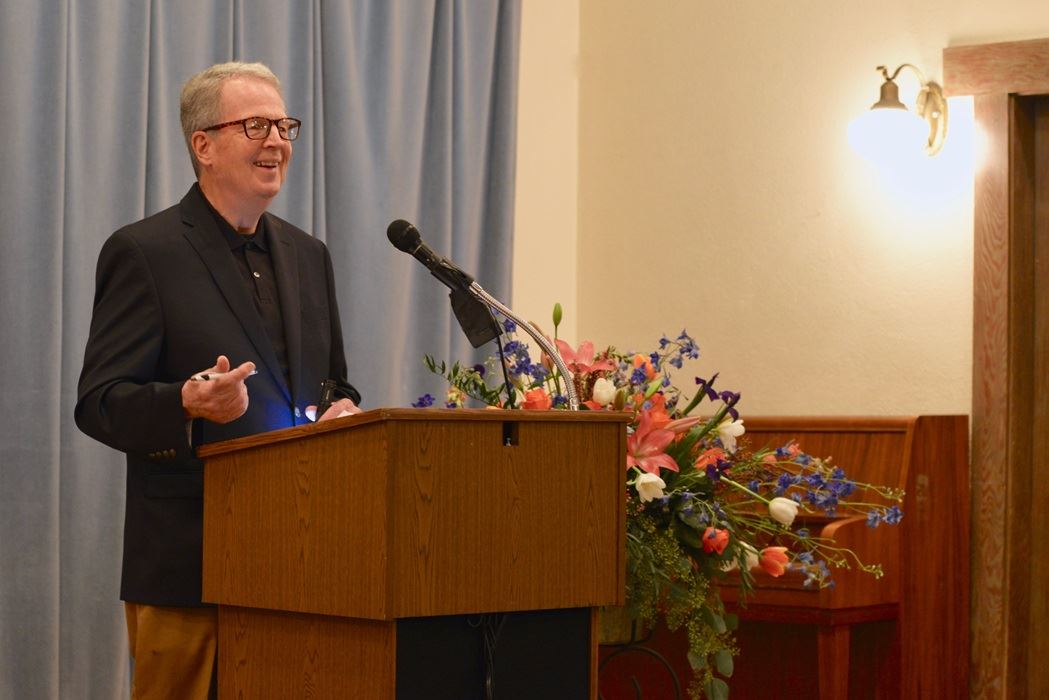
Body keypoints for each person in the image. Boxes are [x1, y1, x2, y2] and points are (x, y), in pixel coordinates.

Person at [75, 61, 361, 699]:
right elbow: (99, 403)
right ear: (202, 145)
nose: (277, 141)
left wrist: (342, 410)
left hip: (301, 566)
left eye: (284, 125)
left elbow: (335, 383)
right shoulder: (145, 252)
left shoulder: (309, 255)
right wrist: (187, 402)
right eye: (255, 125)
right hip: (187, 566)